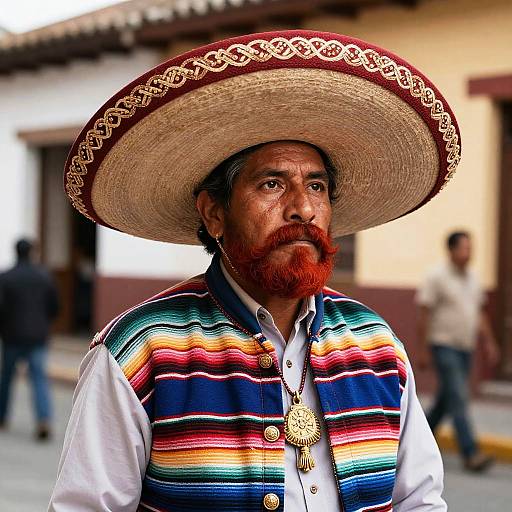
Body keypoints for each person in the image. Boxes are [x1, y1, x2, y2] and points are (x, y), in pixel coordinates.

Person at [49, 30, 462, 511]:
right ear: (214, 213)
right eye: (271, 184)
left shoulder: (376, 345)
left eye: (317, 186)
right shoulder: (140, 352)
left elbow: (420, 500)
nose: (303, 210)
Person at [416, 231, 499, 472]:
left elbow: (480, 313)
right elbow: (424, 314)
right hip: (443, 345)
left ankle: (418, 441)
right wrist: (423, 350)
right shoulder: (436, 277)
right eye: (464, 248)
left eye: (470, 248)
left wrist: (489, 342)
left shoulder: (473, 277)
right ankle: (471, 453)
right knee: (459, 397)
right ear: (451, 250)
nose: (469, 253)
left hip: (465, 348)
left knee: (446, 400)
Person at [0, 239, 59, 440]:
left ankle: (2, 417)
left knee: (7, 379)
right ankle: (43, 420)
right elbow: (54, 307)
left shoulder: (6, 277)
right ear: (31, 252)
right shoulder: (44, 276)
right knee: (39, 379)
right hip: (37, 336)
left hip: (12, 336)